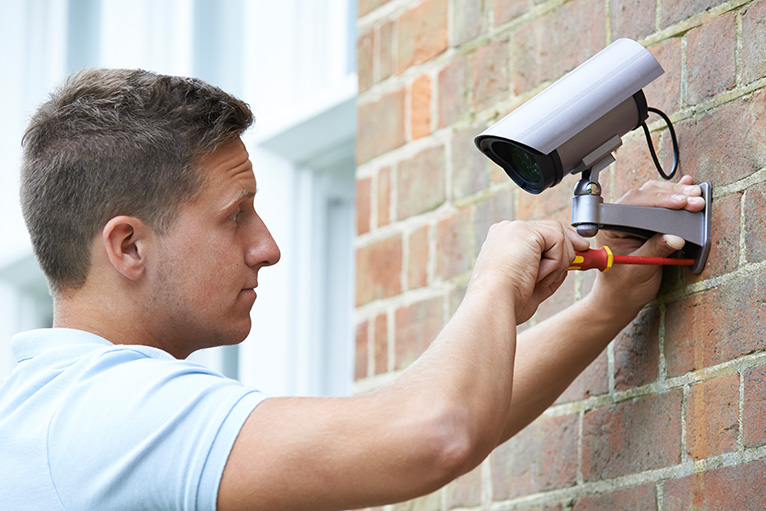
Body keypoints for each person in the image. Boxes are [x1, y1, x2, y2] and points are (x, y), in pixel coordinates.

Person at [0, 68, 706, 511]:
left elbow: (402, 421)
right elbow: (433, 433)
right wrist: (495, 277)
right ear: (128, 245)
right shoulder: (112, 415)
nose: (267, 246)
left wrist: (604, 308)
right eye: (234, 215)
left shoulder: (47, 414)